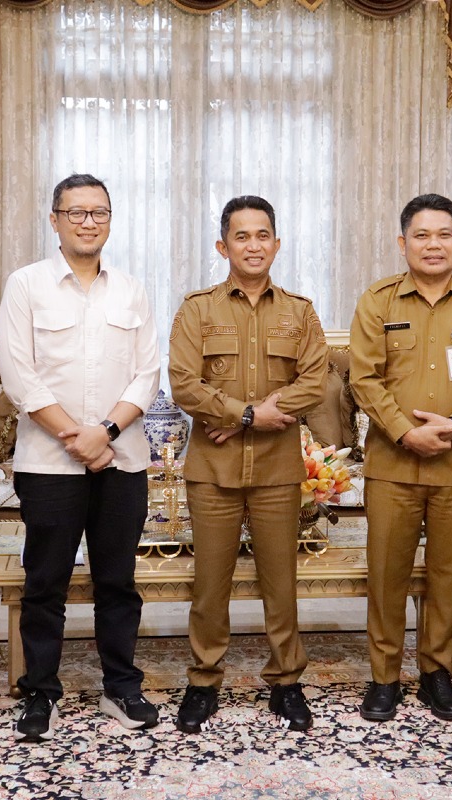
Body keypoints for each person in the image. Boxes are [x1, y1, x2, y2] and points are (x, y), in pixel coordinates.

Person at [0, 173, 161, 741]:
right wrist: (78, 437)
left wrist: (107, 431)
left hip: (123, 459)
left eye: (98, 213)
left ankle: (122, 686)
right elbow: (20, 374)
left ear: (110, 221)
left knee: (119, 580)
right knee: (47, 583)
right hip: (48, 462)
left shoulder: (132, 289)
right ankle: (40, 693)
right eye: (76, 212)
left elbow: (147, 373)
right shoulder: (25, 285)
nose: (88, 221)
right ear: (55, 219)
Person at [349, 193, 452, 722]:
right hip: (393, 465)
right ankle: (384, 677)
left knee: (449, 575)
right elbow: (364, 378)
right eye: (421, 235)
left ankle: (438, 674)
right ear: (403, 243)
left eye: (444, 234)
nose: (433, 244)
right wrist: (403, 432)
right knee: (387, 574)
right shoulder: (378, 301)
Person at [168, 195, 329, 733]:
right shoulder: (197, 309)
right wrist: (245, 414)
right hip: (212, 471)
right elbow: (184, 383)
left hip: (279, 471)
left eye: (263, 235)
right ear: (223, 245)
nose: (253, 245)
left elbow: (314, 381)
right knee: (209, 584)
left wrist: (252, 417)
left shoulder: (300, 311)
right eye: (242, 236)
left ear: (276, 244)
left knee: (280, 582)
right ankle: (203, 680)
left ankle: (286, 682)